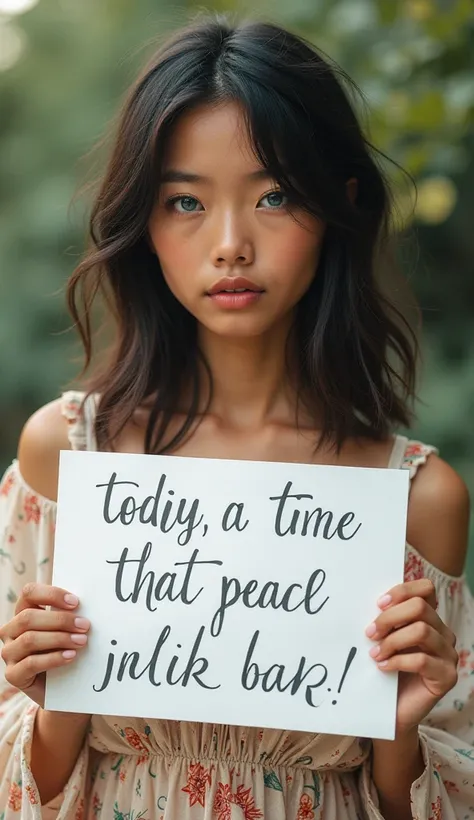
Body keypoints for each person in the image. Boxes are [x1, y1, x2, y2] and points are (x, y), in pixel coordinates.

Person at [0, 13, 472, 820]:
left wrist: (401, 734)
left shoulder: (415, 498)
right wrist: (59, 697)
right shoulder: (68, 456)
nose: (229, 244)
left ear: (339, 204)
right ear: (142, 223)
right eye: (185, 201)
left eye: (275, 195)